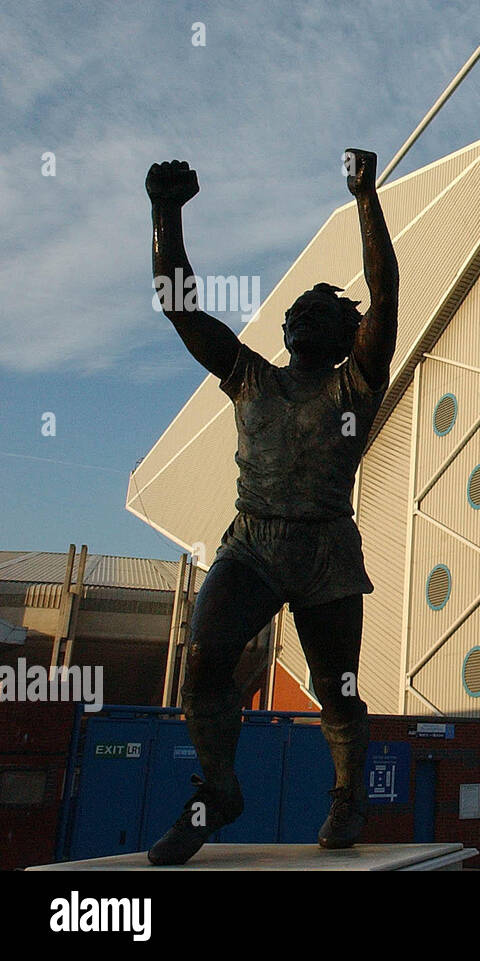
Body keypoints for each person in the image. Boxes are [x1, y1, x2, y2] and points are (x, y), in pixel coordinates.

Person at [145, 149, 398, 865]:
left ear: (349, 333)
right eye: (299, 309)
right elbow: (179, 306)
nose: (308, 314)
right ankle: (218, 788)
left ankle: (348, 794)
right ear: (284, 330)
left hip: (326, 552)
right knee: (205, 659)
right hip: (252, 544)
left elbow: (386, 289)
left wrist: (365, 198)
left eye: (326, 310)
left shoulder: (357, 383)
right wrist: (166, 214)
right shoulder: (248, 377)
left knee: (335, 686)